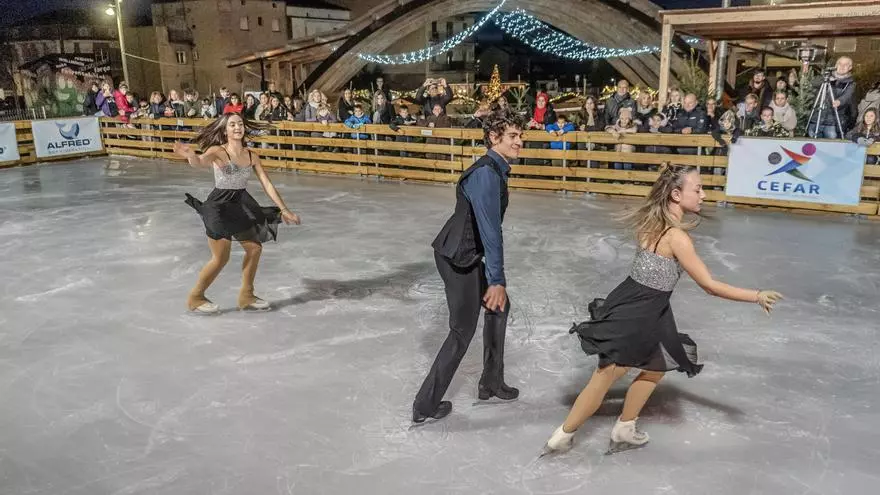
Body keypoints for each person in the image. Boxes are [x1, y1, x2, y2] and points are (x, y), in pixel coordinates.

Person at [542, 164, 782, 455]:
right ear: (677, 194)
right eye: (698, 189)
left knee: (656, 367)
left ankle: (624, 427)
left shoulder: (651, 221)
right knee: (606, 375)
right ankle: (563, 435)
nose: (704, 195)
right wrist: (755, 296)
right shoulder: (676, 238)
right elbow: (709, 285)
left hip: (638, 302)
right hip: (640, 312)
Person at [412, 109, 524, 424]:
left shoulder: (497, 168)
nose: (520, 142)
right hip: (456, 257)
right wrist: (497, 279)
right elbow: (491, 231)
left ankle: (490, 381)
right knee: (462, 330)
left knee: (498, 308)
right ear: (494, 137)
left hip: (467, 252)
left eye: (520, 136)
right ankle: (425, 405)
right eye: (513, 136)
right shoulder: (486, 173)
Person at [173, 113, 301, 314]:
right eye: (232, 124)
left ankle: (246, 295)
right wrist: (190, 156)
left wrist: (284, 210)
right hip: (219, 206)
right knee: (221, 257)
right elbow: (200, 161)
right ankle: (195, 297)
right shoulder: (218, 151)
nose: (237, 127)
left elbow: (266, 184)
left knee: (255, 248)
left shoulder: (251, 155)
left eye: (240, 124)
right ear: (225, 130)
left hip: (240, 203)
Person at [807, 56, 855, 139]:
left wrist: (839, 101)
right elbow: (813, 83)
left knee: (830, 145)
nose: (842, 66)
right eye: (840, 64)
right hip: (816, 118)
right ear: (836, 65)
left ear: (850, 67)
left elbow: (847, 96)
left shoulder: (850, 83)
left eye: (846, 64)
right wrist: (826, 78)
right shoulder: (827, 76)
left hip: (832, 121)